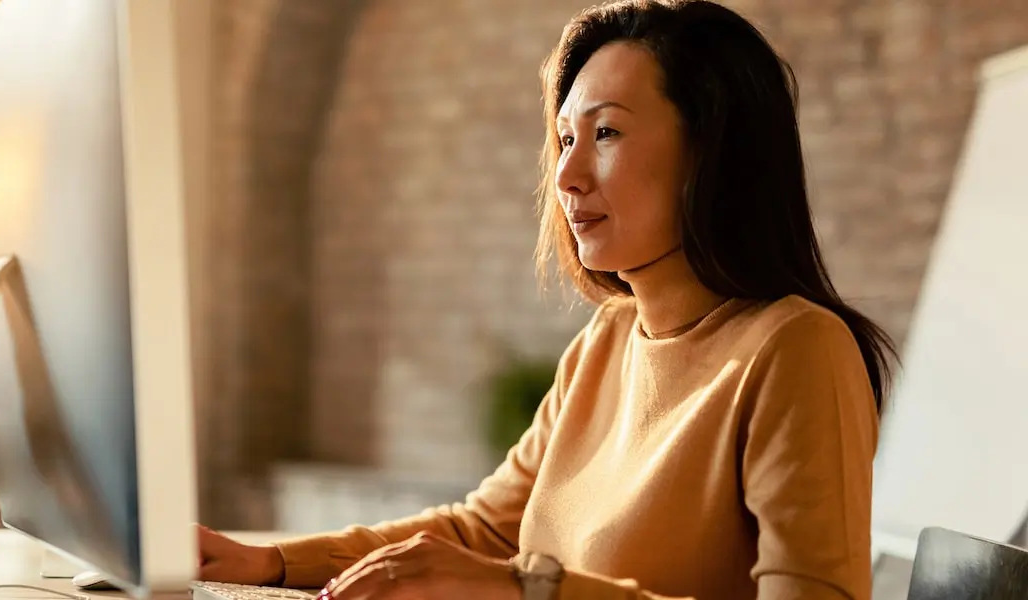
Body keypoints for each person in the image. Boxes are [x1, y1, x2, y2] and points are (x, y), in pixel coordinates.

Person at [197, 0, 897, 598]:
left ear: (711, 151)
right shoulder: (608, 339)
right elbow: (482, 531)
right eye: (564, 138)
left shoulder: (797, 349)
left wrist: (530, 588)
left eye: (606, 132)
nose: (565, 174)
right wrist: (272, 562)